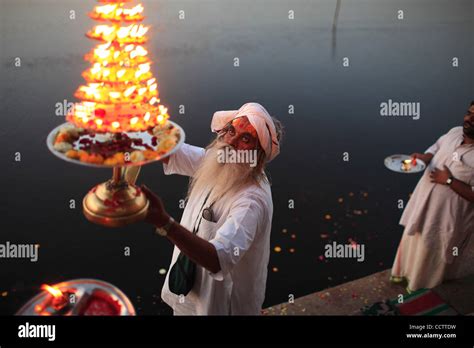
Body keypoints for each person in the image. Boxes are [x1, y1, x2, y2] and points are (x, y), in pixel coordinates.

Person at [141, 102, 283, 315]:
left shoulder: (251, 202)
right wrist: (140, 123)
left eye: (246, 139)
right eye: (231, 131)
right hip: (189, 299)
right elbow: (167, 151)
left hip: (222, 307)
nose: (231, 142)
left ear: (259, 157)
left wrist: (164, 222)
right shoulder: (220, 161)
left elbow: (219, 258)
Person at [391, 101, 474, 292]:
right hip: (423, 207)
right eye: (469, 113)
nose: (469, 119)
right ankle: (403, 277)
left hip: (446, 220)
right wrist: (425, 157)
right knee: (413, 242)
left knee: (431, 255)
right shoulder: (454, 132)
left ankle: (422, 292)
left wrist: (449, 181)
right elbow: (436, 147)